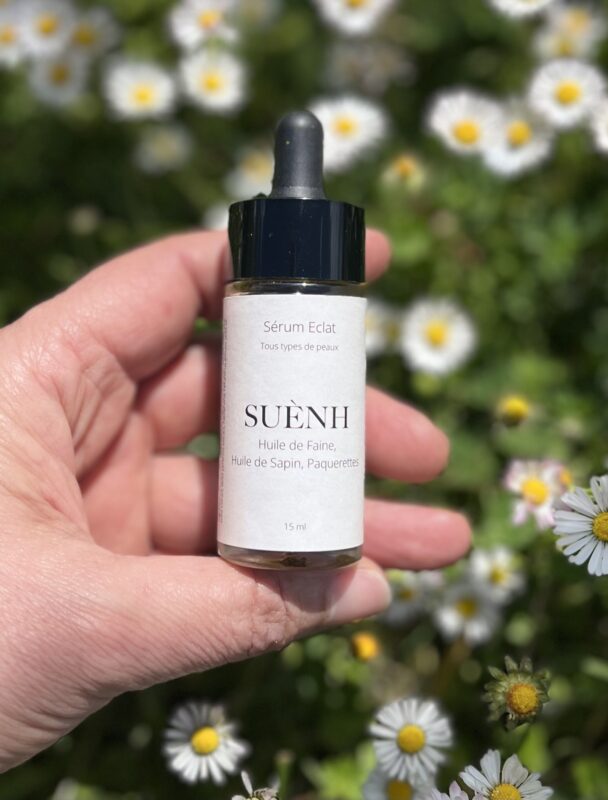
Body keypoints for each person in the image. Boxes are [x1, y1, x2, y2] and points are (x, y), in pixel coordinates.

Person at [0, 229, 471, 772]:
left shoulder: (332, 304)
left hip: (310, 535)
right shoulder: (251, 299)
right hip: (258, 536)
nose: (293, 420)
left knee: (320, 416)